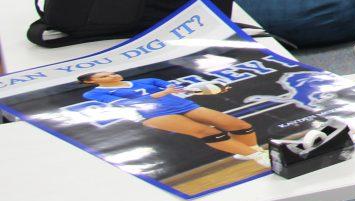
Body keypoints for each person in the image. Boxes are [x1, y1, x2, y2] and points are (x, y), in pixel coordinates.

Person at [78, 71, 269, 167]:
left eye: (111, 72)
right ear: (91, 81)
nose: (112, 75)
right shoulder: (93, 94)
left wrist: (206, 89)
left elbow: (177, 88)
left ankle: (245, 151)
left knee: (239, 125)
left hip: (180, 104)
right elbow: (125, 104)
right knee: (206, 131)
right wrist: (161, 94)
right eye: (105, 75)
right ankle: (258, 156)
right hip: (151, 113)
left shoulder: (147, 80)